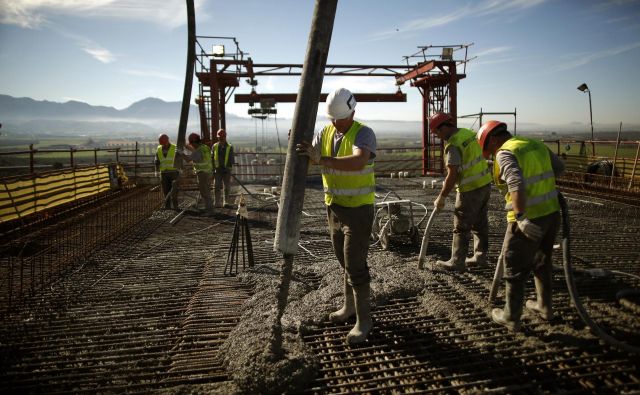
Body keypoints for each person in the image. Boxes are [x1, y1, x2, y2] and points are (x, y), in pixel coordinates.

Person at [296, 87, 376, 345]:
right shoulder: (326, 131)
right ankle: (348, 307)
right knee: (344, 261)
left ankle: (364, 321)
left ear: (353, 112)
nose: (336, 123)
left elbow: (358, 162)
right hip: (335, 207)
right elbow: (312, 160)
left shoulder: (363, 133)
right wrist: (301, 150)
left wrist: (322, 159)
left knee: (355, 263)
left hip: (359, 210)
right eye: (333, 118)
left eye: (340, 119)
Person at [477, 120, 565, 331]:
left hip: (528, 220)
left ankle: (511, 317)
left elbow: (516, 184)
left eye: (489, 149)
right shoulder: (534, 144)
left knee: (514, 266)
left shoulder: (505, 152)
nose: (491, 154)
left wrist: (521, 217)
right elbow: (560, 169)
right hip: (551, 214)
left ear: (494, 139)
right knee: (542, 260)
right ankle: (544, 307)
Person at [428, 112, 492, 272]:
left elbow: (452, 174)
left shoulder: (453, 145)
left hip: (469, 190)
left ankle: (457, 262)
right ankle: (480, 257)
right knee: (480, 224)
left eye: (436, 132)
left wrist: (441, 196)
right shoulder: (467, 133)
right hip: (484, 184)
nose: (437, 136)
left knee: (461, 227)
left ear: (443, 127)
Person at [182, 132, 214, 213]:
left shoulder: (198, 151)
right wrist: (186, 146)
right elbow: (194, 150)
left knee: (204, 192)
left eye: (191, 144)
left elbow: (188, 159)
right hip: (208, 172)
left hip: (202, 174)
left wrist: (180, 153)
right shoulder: (204, 147)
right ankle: (209, 208)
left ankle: (209, 210)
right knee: (207, 191)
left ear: (194, 142)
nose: (191, 146)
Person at [155, 133, 179, 210]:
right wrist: (156, 170)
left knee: (174, 190)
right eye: (161, 143)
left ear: (167, 141)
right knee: (165, 190)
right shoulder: (159, 148)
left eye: (163, 143)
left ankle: (175, 206)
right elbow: (156, 160)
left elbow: (179, 159)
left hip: (173, 172)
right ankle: (167, 206)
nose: (163, 145)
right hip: (164, 173)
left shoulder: (174, 148)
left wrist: (181, 169)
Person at [212, 128, 234, 208]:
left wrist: (229, 169)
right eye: (219, 137)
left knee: (226, 187)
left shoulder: (229, 147)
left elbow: (231, 160)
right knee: (217, 186)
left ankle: (226, 202)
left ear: (225, 137)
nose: (220, 138)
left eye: (222, 137)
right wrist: (213, 169)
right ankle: (217, 202)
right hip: (217, 170)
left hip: (226, 171)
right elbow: (212, 158)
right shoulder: (214, 146)